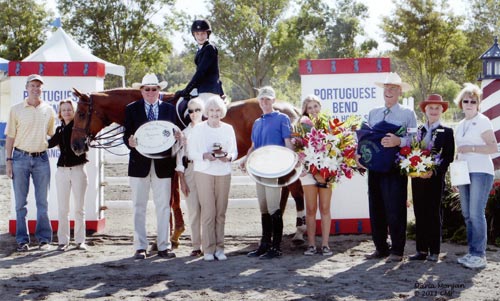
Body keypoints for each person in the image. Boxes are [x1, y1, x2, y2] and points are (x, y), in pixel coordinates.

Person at [360, 72, 417, 262]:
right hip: (375, 167)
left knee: (395, 208)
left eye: (393, 88)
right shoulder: (373, 113)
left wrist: (398, 140)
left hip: (395, 168)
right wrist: (359, 153)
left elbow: (415, 139)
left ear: (399, 91)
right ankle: (380, 247)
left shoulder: (408, 114)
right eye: (386, 88)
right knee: (376, 207)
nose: (389, 91)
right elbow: (365, 137)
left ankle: (397, 250)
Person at [124, 73, 182, 260]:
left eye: (154, 89)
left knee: (163, 206)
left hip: (163, 164)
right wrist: (129, 142)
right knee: (138, 206)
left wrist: (177, 138)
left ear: (159, 91)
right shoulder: (131, 109)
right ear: (141, 91)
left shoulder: (169, 109)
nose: (150, 92)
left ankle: (164, 246)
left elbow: (174, 133)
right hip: (139, 164)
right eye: (147, 89)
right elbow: (127, 135)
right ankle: (140, 246)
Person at [239, 86, 293, 259]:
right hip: (259, 168)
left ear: (273, 101)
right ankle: (264, 244)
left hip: (273, 168)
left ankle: (276, 247)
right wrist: (245, 159)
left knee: (273, 207)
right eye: (262, 99)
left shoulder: (282, 119)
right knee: (263, 207)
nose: (264, 102)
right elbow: (254, 146)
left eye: (268, 99)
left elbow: (287, 143)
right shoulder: (257, 122)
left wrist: (291, 162)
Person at [5, 74, 56, 252]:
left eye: (38, 86)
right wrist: (9, 161)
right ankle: (22, 240)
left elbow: (51, 135)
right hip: (19, 159)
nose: (35, 88)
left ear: (42, 89)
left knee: (43, 202)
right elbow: (10, 137)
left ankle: (44, 240)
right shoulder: (16, 109)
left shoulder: (49, 110)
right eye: (32, 85)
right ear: (26, 87)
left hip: (42, 159)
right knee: (21, 203)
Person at [188, 96, 237, 261]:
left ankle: (220, 248)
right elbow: (191, 153)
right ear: (206, 112)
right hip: (204, 172)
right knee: (208, 212)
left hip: (223, 172)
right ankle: (208, 249)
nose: (214, 113)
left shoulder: (228, 128)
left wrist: (228, 157)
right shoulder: (198, 129)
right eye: (211, 110)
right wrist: (204, 155)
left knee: (221, 213)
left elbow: (234, 152)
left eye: (217, 110)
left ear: (221, 111)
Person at [454, 83, 498, 269]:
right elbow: (458, 153)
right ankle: (472, 252)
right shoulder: (459, 125)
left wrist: (471, 148)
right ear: (461, 103)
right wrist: (455, 178)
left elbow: (493, 147)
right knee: (467, 214)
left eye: (473, 101)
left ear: (478, 103)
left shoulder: (483, 121)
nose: (469, 103)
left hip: (481, 171)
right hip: (463, 172)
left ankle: (479, 255)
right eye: (466, 101)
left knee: (476, 213)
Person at [408, 94, 454, 262]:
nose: (433, 111)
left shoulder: (447, 131)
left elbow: (448, 157)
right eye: (430, 108)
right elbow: (410, 151)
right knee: (419, 212)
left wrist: (434, 172)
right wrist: (413, 168)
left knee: (433, 213)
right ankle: (421, 250)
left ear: (442, 111)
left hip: (435, 179)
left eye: (437, 108)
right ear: (425, 110)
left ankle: (434, 251)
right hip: (417, 178)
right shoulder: (417, 130)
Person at [48, 99, 89, 252]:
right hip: (62, 172)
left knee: (79, 207)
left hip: (78, 170)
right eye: (63, 110)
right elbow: (49, 144)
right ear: (60, 112)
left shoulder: (80, 129)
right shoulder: (59, 130)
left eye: (69, 109)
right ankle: (63, 241)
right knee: (63, 208)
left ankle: (80, 240)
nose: (66, 112)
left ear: (74, 111)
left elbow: (84, 146)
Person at [299, 95, 333, 256]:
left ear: (320, 107)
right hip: (308, 173)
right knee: (311, 209)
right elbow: (300, 152)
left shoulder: (329, 125)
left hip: (326, 172)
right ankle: (311, 245)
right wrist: (314, 171)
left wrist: (323, 173)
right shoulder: (302, 127)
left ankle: (325, 244)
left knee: (325, 208)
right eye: (309, 108)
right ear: (305, 111)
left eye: (315, 106)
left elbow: (334, 149)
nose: (313, 110)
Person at [176, 98, 205, 257]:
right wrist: (182, 180)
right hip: (190, 169)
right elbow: (179, 158)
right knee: (193, 209)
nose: (194, 114)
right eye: (191, 111)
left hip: (206, 169)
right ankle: (196, 245)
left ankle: (209, 243)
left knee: (208, 209)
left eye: (197, 110)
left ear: (203, 111)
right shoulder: (184, 133)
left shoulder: (209, 130)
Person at [175, 19, 224, 103]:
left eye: (203, 33)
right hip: (202, 88)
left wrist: (186, 90)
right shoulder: (201, 49)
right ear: (194, 35)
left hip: (208, 90)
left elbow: (200, 72)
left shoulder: (209, 48)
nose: (200, 37)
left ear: (207, 34)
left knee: (194, 112)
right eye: (197, 34)